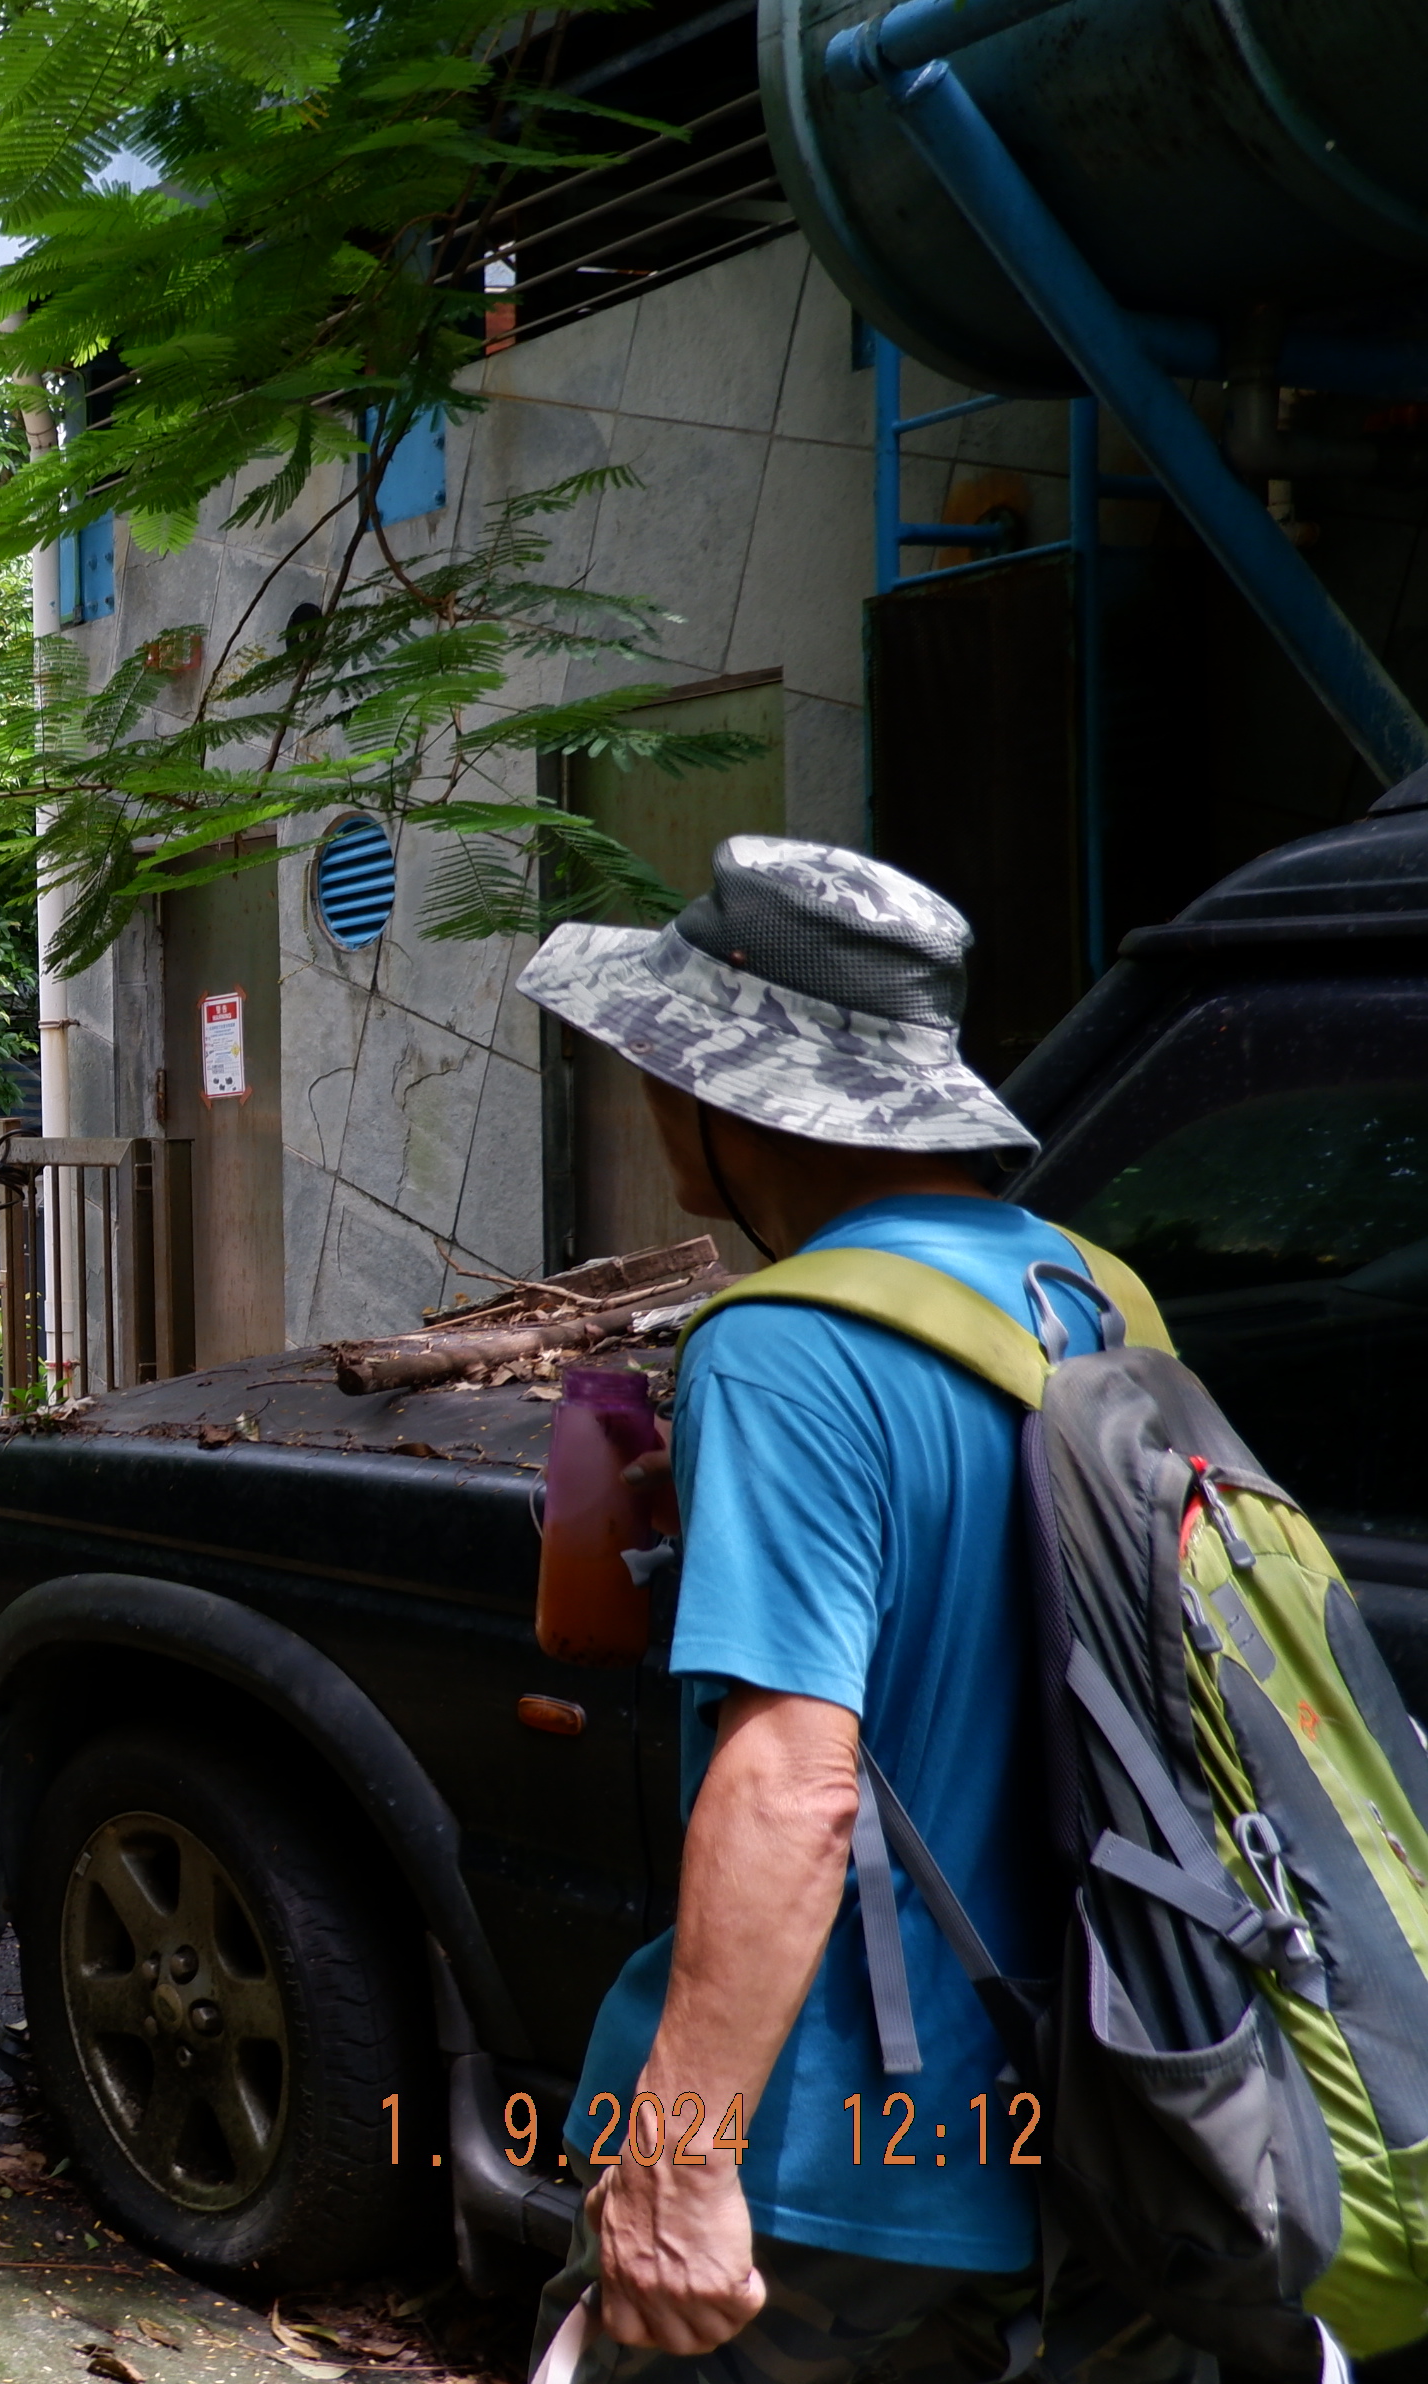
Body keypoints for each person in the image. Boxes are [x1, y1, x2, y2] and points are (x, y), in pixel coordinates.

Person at [512, 837, 1187, 2384]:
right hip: (1117, 2117)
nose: (647, 1092)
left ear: (738, 1093)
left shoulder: (781, 1347)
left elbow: (794, 1783)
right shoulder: (1093, 1297)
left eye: (662, 1059)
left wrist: (679, 2159)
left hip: (843, 2176)